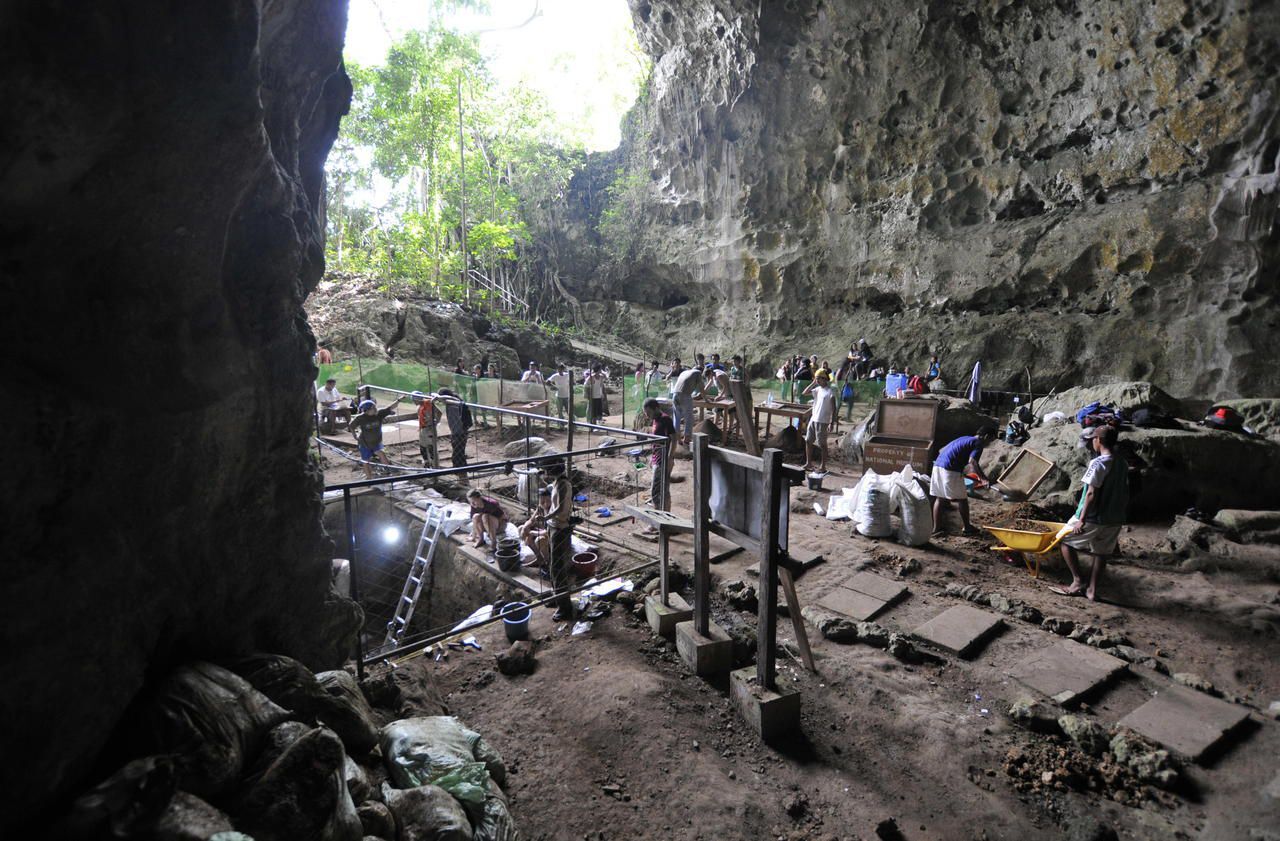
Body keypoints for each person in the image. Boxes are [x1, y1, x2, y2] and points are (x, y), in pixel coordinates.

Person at [1051, 425, 1129, 601]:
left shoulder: (1099, 463)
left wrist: (1081, 519)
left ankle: (1077, 581)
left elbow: (1091, 493)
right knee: (1101, 553)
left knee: (1065, 542)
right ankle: (1092, 591)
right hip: (1114, 517)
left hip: (1094, 517)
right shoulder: (1122, 463)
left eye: (1093, 439)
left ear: (1098, 440)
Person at [930, 426, 997, 536]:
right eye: (991, 440)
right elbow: (973, 462)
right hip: (950, 469)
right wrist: (983, 479)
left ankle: (936, 529)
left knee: (940, 498)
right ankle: (967, 527)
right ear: (986, 436)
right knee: (962, 499)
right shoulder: (978, 443)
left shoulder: (965, 438)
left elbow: (951, 452)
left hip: (938, 466)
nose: (989, 443)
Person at [544, 459, 576, 621]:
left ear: (551, 471)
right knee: (552, 564)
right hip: (553, 525)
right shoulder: (556, 482)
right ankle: (557, 596)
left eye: (544, 470)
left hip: (560, 528)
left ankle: (565, 607)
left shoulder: (564, 485)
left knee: (558, 568)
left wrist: (546, 516)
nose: (543, 474)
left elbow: (561, 508)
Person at [350, 396, 403, 479]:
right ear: (367, 410)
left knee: (382, 454)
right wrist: (355, 435)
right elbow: (351, 426)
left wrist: (399, 400)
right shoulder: (360, 418)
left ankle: (389, 472)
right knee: (366, 461)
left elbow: (390, 407)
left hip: (376, 442)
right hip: (365, 443)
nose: (375, 409)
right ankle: (369, 478)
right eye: (373, 408)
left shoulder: (379, 414)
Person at [642, 397, 676, 517]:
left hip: (663, 460)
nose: (647, 416)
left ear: (656, 408)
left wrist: (670, 458)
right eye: (646, 413)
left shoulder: (665, 419)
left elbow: (674, 439)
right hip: (657, 458)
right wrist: (653, 458)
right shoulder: (655, 419)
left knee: (656, 491)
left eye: (649, 413)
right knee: (663, 489)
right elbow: (656, 442)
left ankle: (658, 521)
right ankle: (665, 518)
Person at [802, 371, 836, 472]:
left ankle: (823, 466)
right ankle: (808, 463)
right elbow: (804, 393)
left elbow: (834, 409)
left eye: (819, 378)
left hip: (823, 420)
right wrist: (813, 383)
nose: (817, 380)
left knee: (822, 444)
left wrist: (832, 422)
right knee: (808, 440)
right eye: (816, 378)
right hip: (814, 419)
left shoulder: (830, 392)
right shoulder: (817, 389)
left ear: (824, 379)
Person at [438, 388, 472, 469]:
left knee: (457, 454)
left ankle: (460, 472)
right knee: (459, 452)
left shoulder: (454, 404)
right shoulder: (452, 402)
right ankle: (461, 472)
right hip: (458, 431)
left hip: (459, 431)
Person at [671, 365, 704, 446]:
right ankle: (687, 440)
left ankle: (677, 439)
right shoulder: (698, 372)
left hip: (675, 395)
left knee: (677, 418)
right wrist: (706, 399)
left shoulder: (685, 372)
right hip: (685, 395)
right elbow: (701, 389)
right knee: (689, 418)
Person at [519, 488, 552, 567]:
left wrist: (534, 533)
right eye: (542, 502)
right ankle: (539, 558)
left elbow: (550, 531)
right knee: (522, 528)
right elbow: (531, 520)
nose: (546, 504)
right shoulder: (540, 508)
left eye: (548, 501)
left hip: (553, 535)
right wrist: (525, 527)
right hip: (544, 531)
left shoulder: (553, 511)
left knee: (539, 540)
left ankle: (548, 562)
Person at [411, 391, 440, 468]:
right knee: (422, 447)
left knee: (431, 448)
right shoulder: (419, 406)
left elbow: (439, 412)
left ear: (418, 399)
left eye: (414, 400)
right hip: (422, 429)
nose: (413, 401)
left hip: (429, 429)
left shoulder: (428, 403)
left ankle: (435, 466)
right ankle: (427, 463)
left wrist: (435, 422)